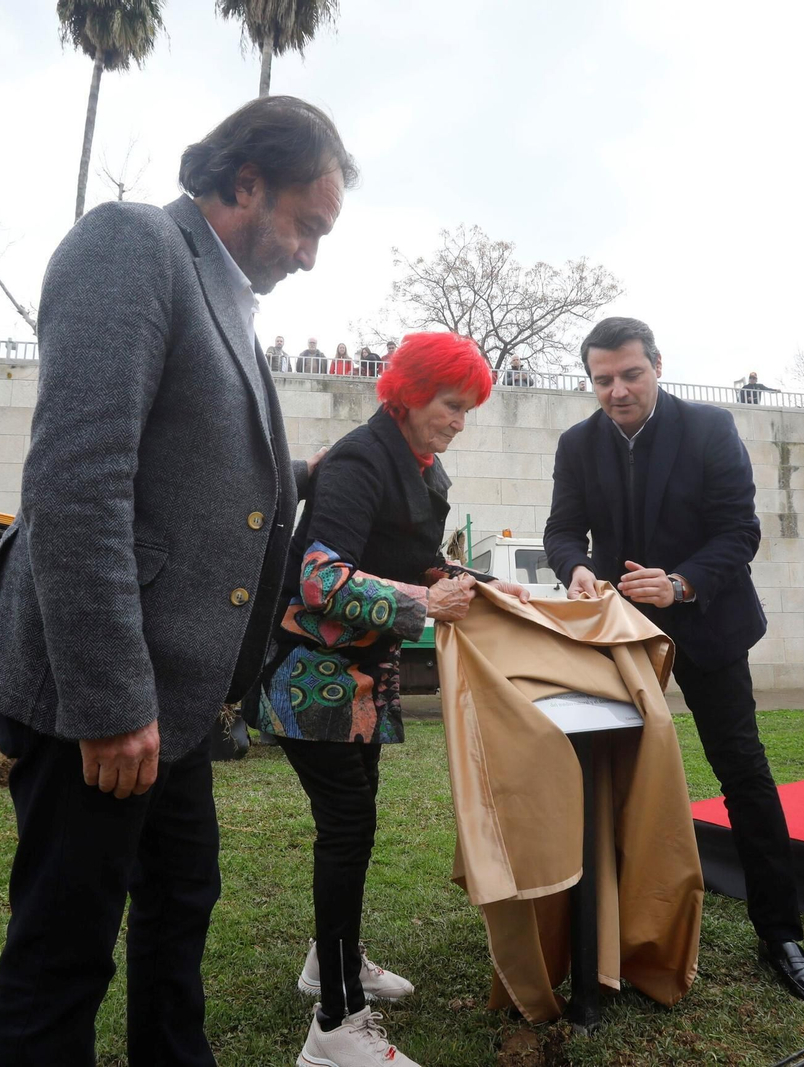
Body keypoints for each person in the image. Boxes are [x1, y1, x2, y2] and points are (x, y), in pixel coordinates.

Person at [0, 95, 355, 1066]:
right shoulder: (132, 244)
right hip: (98, 698)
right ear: (245, 183)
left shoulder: (223, 293)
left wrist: (302, 473)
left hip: (173, 701)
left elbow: (192, 467)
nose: (311, 254)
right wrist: (109, 705)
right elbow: (77, 481)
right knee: (65, 949)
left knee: (180, 905)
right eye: (307, 225)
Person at [543, 316, 804, 1005]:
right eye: (603, 380)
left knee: (743, 773)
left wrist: (679, 583)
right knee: (605, 779)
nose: (617, 391)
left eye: (630, 374)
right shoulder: (577, 443)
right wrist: (576, 567)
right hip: (620, 633)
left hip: (707, 623)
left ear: (657, 365)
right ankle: (609, 934)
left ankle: (781, 936)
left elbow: (740, 531)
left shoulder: (709, 428)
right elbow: (563, 529)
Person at [257, 332, 529, 1067]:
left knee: (356, 825)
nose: (459, 422)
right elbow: (320, 579)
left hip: (361, 681)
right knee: (346, 829)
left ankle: (331, 959)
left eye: (467, 409)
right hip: (312, 680)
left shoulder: (417, 464)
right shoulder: (359, 460)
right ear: (407, 393)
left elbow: (414, 558)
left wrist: (484, 586)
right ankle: (335, 1024)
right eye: (451, 404)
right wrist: (424, 602)